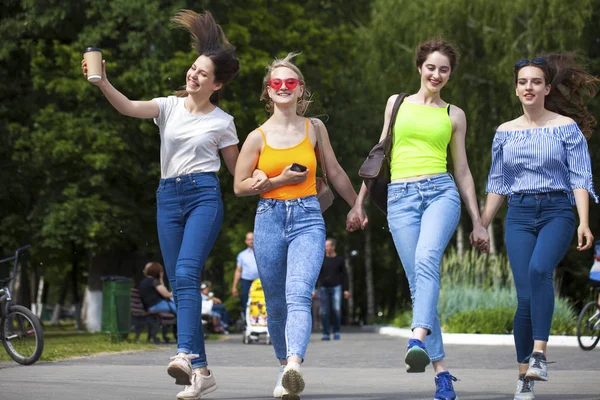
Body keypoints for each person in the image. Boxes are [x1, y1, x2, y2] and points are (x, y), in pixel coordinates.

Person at [82, 10, 243, 399]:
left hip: (204, 195)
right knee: (180, 281)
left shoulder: (223, 122)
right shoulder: (167, 108)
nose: (193, 75)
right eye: (193, 68)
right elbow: (127, 107)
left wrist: (276, 181)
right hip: (167, 197)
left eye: (203, 74)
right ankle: (202, 373)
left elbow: (239, 177)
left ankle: (185, 354)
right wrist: (102, 81)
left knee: (187, 271)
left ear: (216, 83)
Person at [354, 38, 489, 400]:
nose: (437, 74)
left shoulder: (454, 115)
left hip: (440, 192)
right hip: (400, 197)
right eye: (431, 67)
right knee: (419, 282)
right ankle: (442, 373)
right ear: (419, 67)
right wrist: (359, 203)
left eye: (444, 69)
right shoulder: (396, 104)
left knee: (428, 260)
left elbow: (462, 170)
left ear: (450, 74)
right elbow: (378, 156)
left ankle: (416, 336)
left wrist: (478, 221)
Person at [233, 52, 368, 399]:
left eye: (289, 82)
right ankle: (282, 367)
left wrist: (356, 204)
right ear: (267, 91)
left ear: (300, 89)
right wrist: (275, 179)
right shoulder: (256, 137)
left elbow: (334, 172)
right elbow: (239, 186)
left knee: (297, 295)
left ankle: (294, 364)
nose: (282, 87)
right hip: (269, 220)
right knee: (276, 303)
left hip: (308, 218)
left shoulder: (314, 128)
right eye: (275, 83)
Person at [479, 53, 598, 400]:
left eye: (535, 81)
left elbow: (580, 176)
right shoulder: (504, 132)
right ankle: (524, 379)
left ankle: (540, 354)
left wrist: (584, 222)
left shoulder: (565, 127)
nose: (528, 87)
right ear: (516, 90)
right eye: (522, 82)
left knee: (540, 269)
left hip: (557, 211)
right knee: (525, 298)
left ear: (546, 88)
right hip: (518, 214)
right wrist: (482, 224)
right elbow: (497, 183)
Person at [313, 238, 350, 341]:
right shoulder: (322, 260)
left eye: (328, 245)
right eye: (325, 246)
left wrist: (346, 289)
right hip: (323, 288)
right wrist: (315, 289)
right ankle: (326, 333)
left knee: (336, 310)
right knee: (324, 311)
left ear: (333, 247)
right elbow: (317, 275)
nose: (326, 248)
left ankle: (337, 331)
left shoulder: (340, 260)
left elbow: (345, 275)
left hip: (336, 287)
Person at [231, 232, 259, 317]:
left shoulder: (261, 253)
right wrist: (234, 287)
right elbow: (238, 271)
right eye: (249, 239)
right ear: (246, 241)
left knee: (261, 301)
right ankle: (247, 323)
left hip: (259, 281)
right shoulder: (242, 255)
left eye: (253, 239)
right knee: (245, 301)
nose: (251, 241)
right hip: (246, 281)